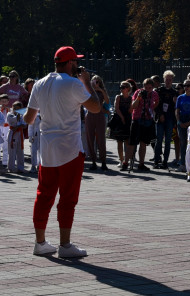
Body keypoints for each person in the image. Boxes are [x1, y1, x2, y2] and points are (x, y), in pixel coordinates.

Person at [24, 46, 101, 259]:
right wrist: (87, 82)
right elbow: (96, 107)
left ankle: (40, 242)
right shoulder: (74, 83)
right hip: (69, 148)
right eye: (75, 61)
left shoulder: (39, 83)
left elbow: (29, 119)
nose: (77, 65)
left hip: (47, 148)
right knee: (68, 197)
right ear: (69, 63)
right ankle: (65, 245)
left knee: (43, 194)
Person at [127, 78, 157, 172]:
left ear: (152, 88)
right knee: (132, 143)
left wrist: (152, 109)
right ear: (143, 86)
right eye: (146, 87)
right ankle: (126, 163)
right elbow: (133, 106)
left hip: (147, 120)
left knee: (143, 143)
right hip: (137, 119)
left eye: (150, 88)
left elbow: (157, 102)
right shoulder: (138, 92)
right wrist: (138, 98)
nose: (147, 89)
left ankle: (141, 163)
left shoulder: (154, 94)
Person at [153, 71, 177, 170]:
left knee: (167, 141)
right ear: (164, 79)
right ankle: (156, 160)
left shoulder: (174, 93)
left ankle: (165, 161)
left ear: (172, 80)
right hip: (160, 118)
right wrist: (160, 114)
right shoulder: (158, 91)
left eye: (170, 79)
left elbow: (176, 107)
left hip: (170, 118)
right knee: (158, 140)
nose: (168, 81)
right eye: (166, 79)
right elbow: (155, 105)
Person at [84, 75, 108, 170]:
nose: (96, 84)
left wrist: (100, 90)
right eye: (94, 82)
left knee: (101, 139)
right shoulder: (88, 91)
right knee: (90, 139)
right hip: (90, 115)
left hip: (100, 115)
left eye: (97, 82)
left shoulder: (102, 91)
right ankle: (93, 161)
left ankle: (103, 161)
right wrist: (91, 88)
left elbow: (107, 101)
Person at [109, 81, 132, 170]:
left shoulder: (131, 98)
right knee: (119, 141)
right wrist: (122, 117)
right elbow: (116, 109)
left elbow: (131, 109)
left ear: (128, 88)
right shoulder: (118, 97)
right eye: (121, 87)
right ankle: (121, 160)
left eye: (123, 87)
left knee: (127, 141)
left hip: (127, 120)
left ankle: (127, 160)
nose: (121, 89)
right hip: (119, 119)